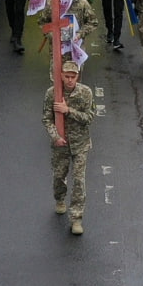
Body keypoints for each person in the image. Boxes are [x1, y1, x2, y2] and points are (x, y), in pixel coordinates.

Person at [44, 60, 95, 236]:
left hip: (80, 143)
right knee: (59, 176)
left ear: (77, 77)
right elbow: (47, 119)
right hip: (61, 145)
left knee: (79, 181)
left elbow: (89, 117)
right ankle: (59, 199)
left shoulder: (85, 93)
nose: (70, 80)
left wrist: (68, 110)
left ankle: (76, 218)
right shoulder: (52, 94)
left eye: (73, 77)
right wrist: (55, 136)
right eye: (67, 76)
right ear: (61, 76)